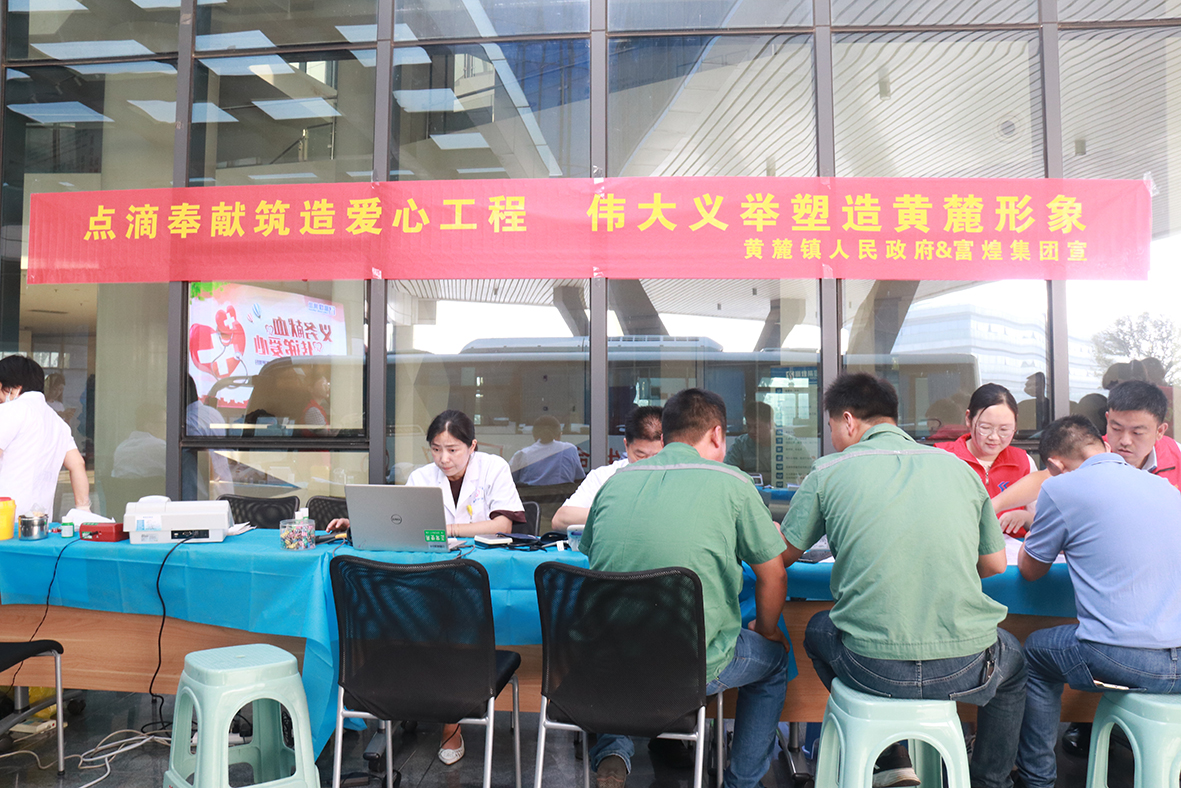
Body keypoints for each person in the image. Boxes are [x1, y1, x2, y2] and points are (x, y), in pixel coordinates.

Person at [781, 373, 1026, 788]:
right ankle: (990, 781)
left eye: (832, 427)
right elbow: (995, 565)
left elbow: (782, 556)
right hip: (965, 667)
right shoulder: (958, 469)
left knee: (818, 628)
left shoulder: (828, 471)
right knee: (1014, 663)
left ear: (847, 420)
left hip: (871, 667)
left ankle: (887, 752)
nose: (834, 438)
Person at [580, 388, 790, 788]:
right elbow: (774, 575)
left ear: (665, 436)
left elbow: (596, 557)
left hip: (609, 661)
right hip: (692, 665)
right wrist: (766, 630)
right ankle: (741, 783)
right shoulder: (732, 483)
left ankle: (612, 752)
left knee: (622, 634)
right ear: (717, 434)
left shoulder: (617, 482)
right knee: (775, 661)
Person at [331, 409, 524, 765]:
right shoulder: (421, 477)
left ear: (472, 446)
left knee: (456, 622)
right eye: (436, 449)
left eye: (452, 450)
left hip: (479, 576)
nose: (443, 459)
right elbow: (400, 525)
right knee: (413, 615)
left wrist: (448, 529)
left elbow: (502, 525)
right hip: (429, 575)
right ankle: (414, 702)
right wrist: (357, 523)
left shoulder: (493, 468)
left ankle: (451, 723)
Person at [1014, 416, 1181, 788]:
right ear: (1105, 445)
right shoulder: (1164, 487)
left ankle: (1036, 780)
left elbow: (1030, 569)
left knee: (1035, 651)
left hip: (1124, 659)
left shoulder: (1061, 487)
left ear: (1055, 465)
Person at [937, 383, 1038, 536]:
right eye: (985, 428)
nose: (994, 437)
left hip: (1011, 548)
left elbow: (1043, 522)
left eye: (1004, 430)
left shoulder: (1024, 462)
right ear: (968, 419)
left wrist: (1025, 517)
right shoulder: (942, 458)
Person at [0, 355, 90, 520]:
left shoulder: (9, 411)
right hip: (38, 521)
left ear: (14, 387)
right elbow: (78, 464)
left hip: (4, 518)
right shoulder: (58, 422)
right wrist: (83, 509)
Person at [551, 406, 662, 531]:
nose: (648, 464)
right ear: (626, 445)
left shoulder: (677, 477)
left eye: (658, 456)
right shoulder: (604, 476)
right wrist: (617, 514)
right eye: (640, 455)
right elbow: (560, 519)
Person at [723, 400, 813, 485]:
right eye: (748, 426)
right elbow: (727, 471)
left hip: (783, 494)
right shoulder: (741, 444)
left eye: (756, 427)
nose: (751, 431)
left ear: (770, 424)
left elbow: (811, 473)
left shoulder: (792, 445)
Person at [508, 415, 585, 486]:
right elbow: (580, 478)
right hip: (564, 496)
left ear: (534, 434)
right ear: (559, 434)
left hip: (530, 496)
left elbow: (508, 479)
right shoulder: (569, 449)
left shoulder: (523, 454)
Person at [112, 404, 167, 479]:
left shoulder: (121, 448)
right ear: (150, 426)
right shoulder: (161, 447)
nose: (168, 426)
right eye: (165, 422)